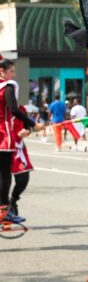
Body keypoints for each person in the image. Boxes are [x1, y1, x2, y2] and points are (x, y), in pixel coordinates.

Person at [0, 58, 35, 227]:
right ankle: (4, 211)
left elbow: (21, 115)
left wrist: (28, 129)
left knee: (20, 178)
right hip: (4, 138)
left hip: (15, 143)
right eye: (11, 71)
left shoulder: (20, 106)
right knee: (4, 177)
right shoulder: (7, 88)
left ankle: (10, 204)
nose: (14, 75)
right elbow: (12, 110)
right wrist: (35, 123)